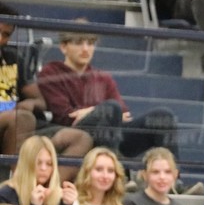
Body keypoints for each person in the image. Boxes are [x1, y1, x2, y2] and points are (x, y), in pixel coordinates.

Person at [36, 29, 177, 158]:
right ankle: (115, 175)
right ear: (63, 47)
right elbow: (65, 116)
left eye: (90, 43)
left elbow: (124, 115)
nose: (85, 49)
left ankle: (176, 182)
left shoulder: (103, 77)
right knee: (110, 109)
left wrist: (92, 111)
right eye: (78, 43)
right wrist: (103, 111)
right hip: (75, 135)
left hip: (112, 135)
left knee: (163, 116)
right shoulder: (51, 73)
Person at [0, 2, 93, 181]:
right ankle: (18, 186)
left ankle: (49, 192)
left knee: (81, 138)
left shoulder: (12, 58)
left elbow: (40, 101)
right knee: (22, 118)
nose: (1, 39)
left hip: (18, 125)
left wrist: (30, 103)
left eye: (6, 35)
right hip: (13, 120)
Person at [0, 136, 77, 205]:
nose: (44, 168)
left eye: (49, 164)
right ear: (27, 164)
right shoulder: (6, 195)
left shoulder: (56, 195)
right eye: (38, 163)